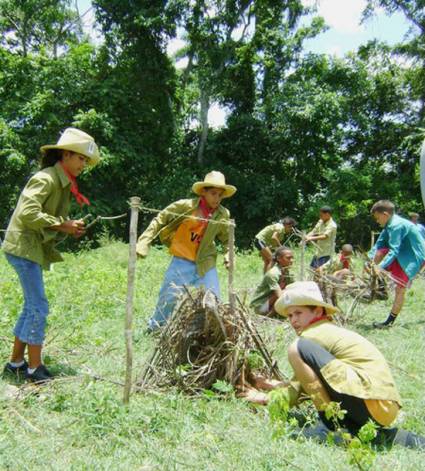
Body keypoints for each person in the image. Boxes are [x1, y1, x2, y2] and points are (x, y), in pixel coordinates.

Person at [240, 281, 425, 450]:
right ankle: (367, 433)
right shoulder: (325, 331)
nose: (293, 320)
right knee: (298, 348)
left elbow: (296, 391)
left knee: (294, 349)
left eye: (299, 313)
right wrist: (272, 384)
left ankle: (328, 426)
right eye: (290, 315)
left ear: (318, 312)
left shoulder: (311, 336)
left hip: (371, 402)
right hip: (383, 408)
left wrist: (263, 398)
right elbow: (305, 383)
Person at [2, 128, 100, 383]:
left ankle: (15, 364)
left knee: (31, 306)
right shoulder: (46, 179)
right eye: (80, 158)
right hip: (23, 247)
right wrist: (61, 224)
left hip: (30, 248)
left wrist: (68, 227)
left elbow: (49, 219)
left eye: (86, 161)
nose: (83, 165)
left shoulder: (63, 182)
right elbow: (28, 214)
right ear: (66, 155)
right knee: (38, 307)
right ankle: (35, 370)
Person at [136, 171, 236, 332]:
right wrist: (144, 241)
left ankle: (208, 333)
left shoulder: (223, 214)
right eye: (213, 193)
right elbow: (160, 219)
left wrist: (228, 254)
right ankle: (154, 328)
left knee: (213, 300)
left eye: (220, 195)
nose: (217, 198)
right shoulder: (185, 206)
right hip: (182, 258)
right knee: (168, 297)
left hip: (206, 262)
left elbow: (227, 239)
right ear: (204, 192)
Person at [369, 200, 425, 328]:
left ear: (385, 214)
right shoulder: (389, 224)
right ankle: (381, 289)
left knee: (400, 289)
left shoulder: (396, 225)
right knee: (378, 254)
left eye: (377, 218)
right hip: (403, 254)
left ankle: (388, 322)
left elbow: (394, 250)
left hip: (413, 256)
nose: (377, 221)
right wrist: (370, 260)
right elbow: (379, 244)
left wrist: (380, 267)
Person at [250, 246, 294, 317]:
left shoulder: (288, 273)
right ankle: (268, 317)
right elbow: (279, 295)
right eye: (288, 258)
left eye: (292, 258)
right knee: (284, 292)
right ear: (279, 259)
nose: (291, 260)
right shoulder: (273, 273)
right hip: (260, 306)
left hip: (270, 302)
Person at [305, 206, 337, 271]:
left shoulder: (332, 225)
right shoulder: (320, 221)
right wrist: (306, 237)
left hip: (326, 253)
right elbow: (314, 231)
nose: (320, 217)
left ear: (327, 214)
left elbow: (325, 236)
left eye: (321, 215)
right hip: (318, 252)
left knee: (320, 272)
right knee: (312, 269)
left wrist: (310, 238)